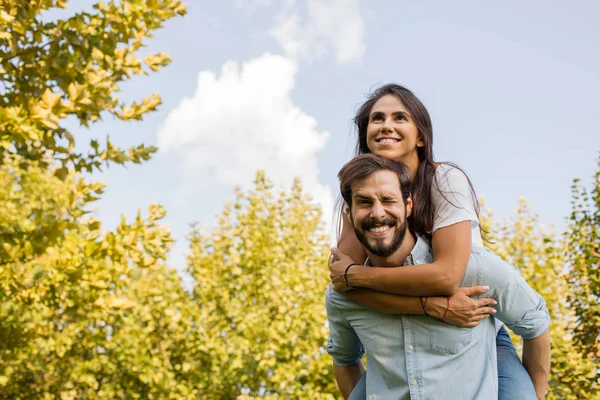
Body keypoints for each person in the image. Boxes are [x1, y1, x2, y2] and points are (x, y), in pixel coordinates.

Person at [328, 84, 551, 399]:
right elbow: (344, 290)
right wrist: (428, 307)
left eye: (399, 117)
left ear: (420, 137)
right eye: (376, 119)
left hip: (473, 327)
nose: (385, 125)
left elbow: (446, 276)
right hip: (402, 324)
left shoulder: (444, 181)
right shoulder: (361, 201)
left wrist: (357, 275)